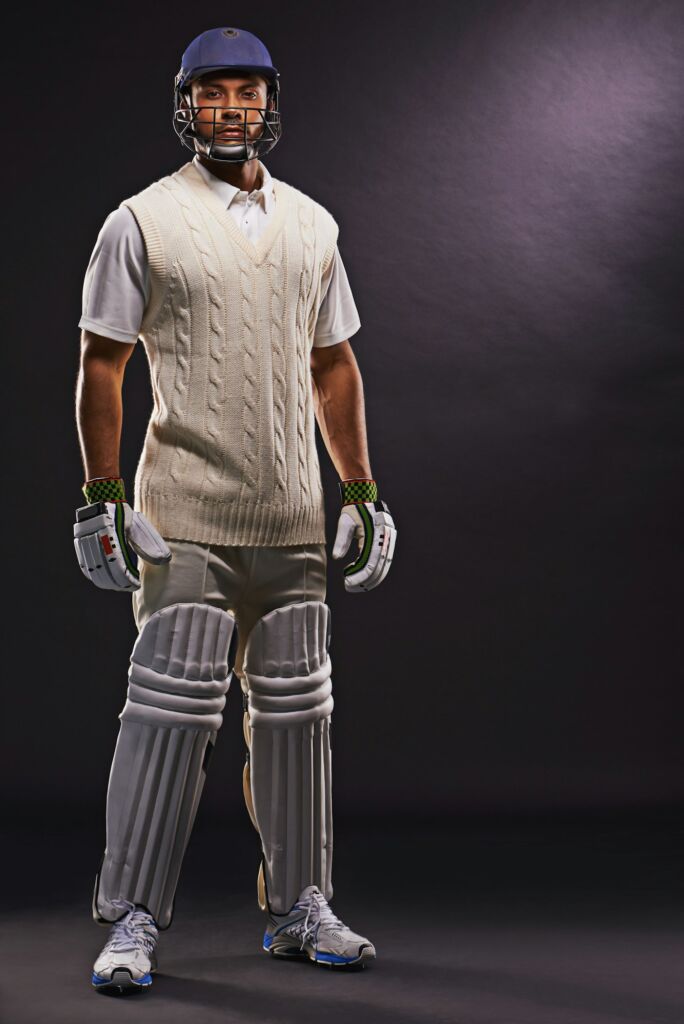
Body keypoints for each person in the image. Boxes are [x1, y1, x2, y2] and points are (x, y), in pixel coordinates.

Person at [74, 26, 397, 995]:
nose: (234, 108)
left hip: (292, 514)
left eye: (249, 91)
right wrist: (102, 496)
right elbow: (103, 362)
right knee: (168, 715)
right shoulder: (141, 220)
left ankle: (301, 904)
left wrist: (361, 491)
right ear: (186, 102)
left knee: (300, 719)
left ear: (269, 102)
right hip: (184, 512)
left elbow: (332, 362)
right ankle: (131, 915)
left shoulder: (312, 224)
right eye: (215, 91)